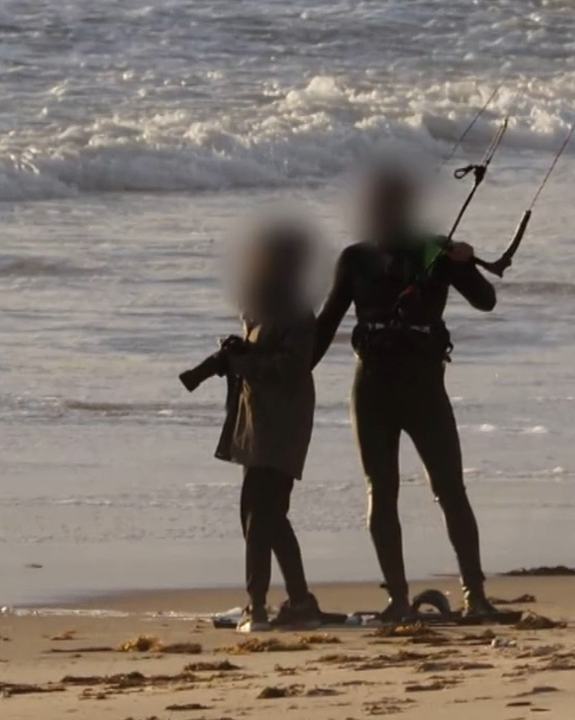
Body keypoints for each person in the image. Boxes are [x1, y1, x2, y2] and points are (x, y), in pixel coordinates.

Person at [313, 163, 500, 622]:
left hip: (423, 388)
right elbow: (324, 331)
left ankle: (475, 597)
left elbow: (485, 300)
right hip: (372, 386)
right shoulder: (355, 259)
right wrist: (286, 375)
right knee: (382, 490)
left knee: (450, 489)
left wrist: (463, 261)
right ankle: (398, 600)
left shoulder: (436, 251)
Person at [205, 221, 323, 632]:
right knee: (268, 516)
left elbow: (291, 367)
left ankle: (255, 607)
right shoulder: (259, 304)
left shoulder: (295, 312)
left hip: (283, 422)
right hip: (255, 421)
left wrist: (244, 362)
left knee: (260, 514)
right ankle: (301, 600)